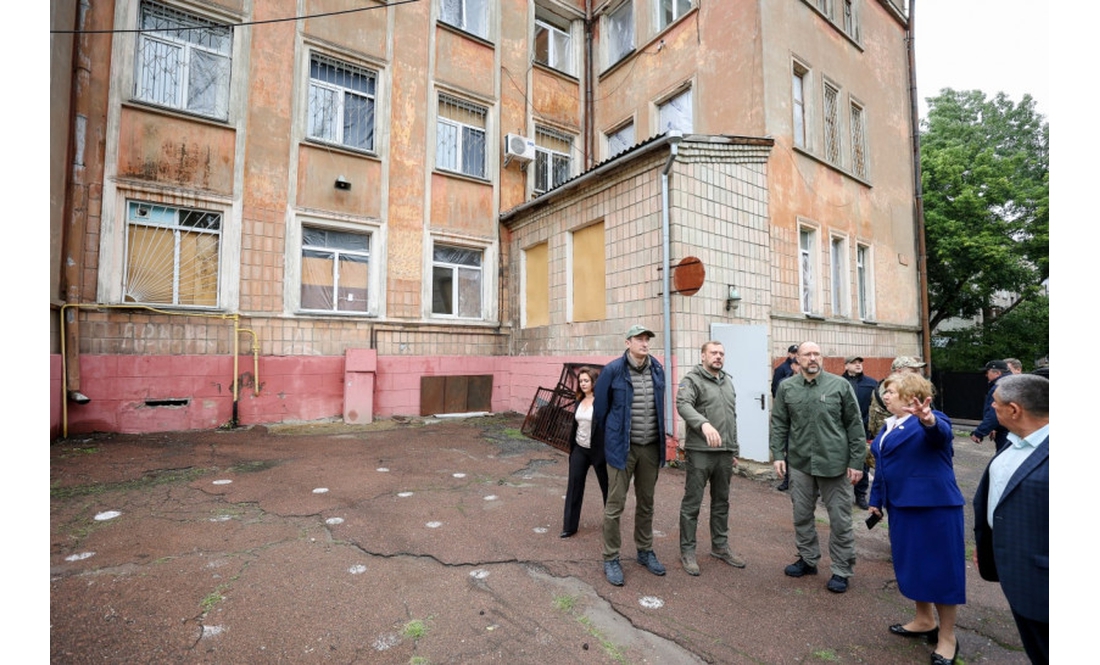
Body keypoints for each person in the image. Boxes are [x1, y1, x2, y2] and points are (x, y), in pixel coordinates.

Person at [868, 372, 965, 665]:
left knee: (942, 571)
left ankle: (947, 637)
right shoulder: (889, 426)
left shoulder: (931, 419)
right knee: (913, 566)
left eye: (892, 392)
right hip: (901, 507)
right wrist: (876, 501)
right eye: (885, 392)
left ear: (912, 397)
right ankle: (924, 620)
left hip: (934, 507)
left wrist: (927, 420)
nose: (886, 396)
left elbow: (941, 435)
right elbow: (883, 467)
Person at [770, 342, 866, 593]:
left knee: (840, 519)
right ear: (797, 359)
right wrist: (778, 454)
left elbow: (855, 426)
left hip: (834, 464)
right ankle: (808, 559)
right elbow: (779, 422)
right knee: (801, 515)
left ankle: (841, 570)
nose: (813, 359)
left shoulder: (840, 386)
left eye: (816, 354)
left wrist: (857, 462)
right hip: (800, 463)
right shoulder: (787, 387)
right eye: (807, 355)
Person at [973, 374, 1048, 664]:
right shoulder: (1016, 441)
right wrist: (988, 544)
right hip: (1016, 576)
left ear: (1014, 410)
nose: (992, 407)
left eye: (995, 403)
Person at [594, 324, 668, 586]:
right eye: (639, 339)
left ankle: (644, 551)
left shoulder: (657, 368)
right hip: (622, 449)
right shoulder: (613, 370)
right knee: (615, 506)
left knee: (647, 503)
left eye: (647, 339)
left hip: (650, 447)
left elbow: (660, 405)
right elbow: (600, 411)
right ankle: (611, 557)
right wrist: (605, 447)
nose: (645, 343)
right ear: (628, 343)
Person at [675, 341, 744, 576]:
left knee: (721, 502)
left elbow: (731, 416)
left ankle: (720, 546)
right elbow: (683, 405)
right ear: (703, 355)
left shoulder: (727, 380)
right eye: (713, 353)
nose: (718, 357)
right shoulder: (692, 380)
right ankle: (688, 550)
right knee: (692, 503)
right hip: (700, 452)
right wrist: (703, 424)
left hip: (724, 453)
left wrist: (734, 449)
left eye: (721, 353)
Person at [560, 366, 609, 538]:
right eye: (581, 381)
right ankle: (569, 526)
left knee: (607, 487)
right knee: (574, 486)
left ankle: (611, 523)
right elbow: (576, 426)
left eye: (586, 380)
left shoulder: (602, 401)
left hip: (598, 450)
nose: (583, 384)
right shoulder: (578, 401)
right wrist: (573, 449)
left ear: (594, 382)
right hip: (580, 449)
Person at [842, 355, 878, 510]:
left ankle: (861, 494)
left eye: (859, 363)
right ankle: (839, 494)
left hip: (863, 429)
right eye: (854, 363)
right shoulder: (838, 383)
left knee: (862, 462)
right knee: (839, 460)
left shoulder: (871, 384)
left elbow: (875, 407)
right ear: (846, 366)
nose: (858, 365)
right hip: (841, 430)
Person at [867, 356, 927, 439]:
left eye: (918, 371)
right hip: (892, 436)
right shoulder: (890, 389)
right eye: (914, 371)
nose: (919, 375)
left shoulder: (903, 387)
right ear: (899, 372)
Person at [970, 360, 1010, 451]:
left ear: (997, 373)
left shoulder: (1000, 387)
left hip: (1007, 432)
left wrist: (979, 432)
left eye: (987, 372)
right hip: (1017, 431)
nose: (986, 375)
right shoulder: (1013, 383)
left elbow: (995, 413)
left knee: (1004, 460)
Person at [774, 358, 801, 492]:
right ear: (793, 366)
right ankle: (787, 480)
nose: (800, 366)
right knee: (789, 453)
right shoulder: (784, 383)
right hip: (790, 426)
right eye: (797, 364)